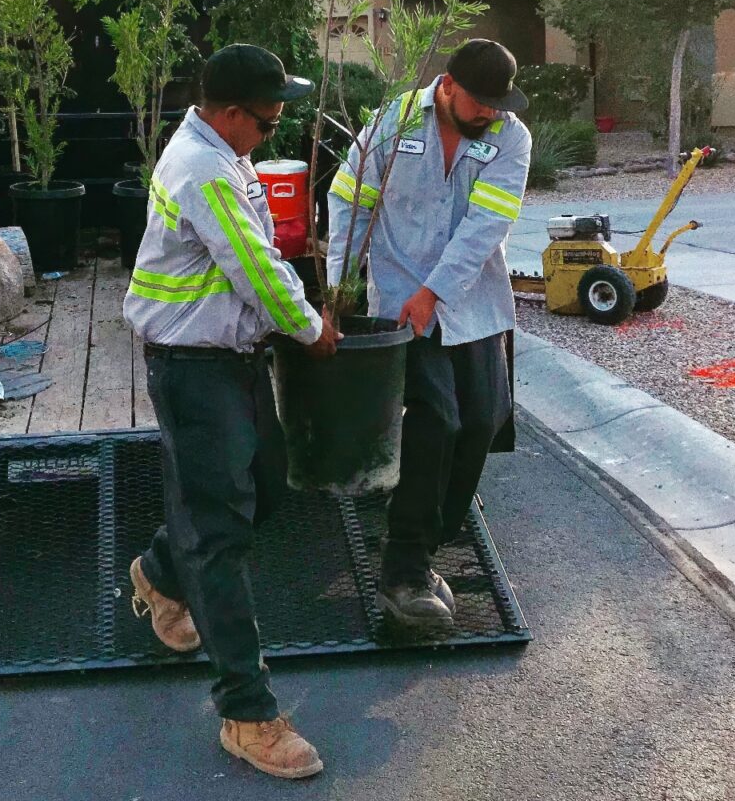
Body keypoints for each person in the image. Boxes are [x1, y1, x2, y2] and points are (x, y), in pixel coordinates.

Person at [124, 43, 340, 780]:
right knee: (219, 535)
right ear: (228, 112)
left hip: (233, 362)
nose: (275, 128)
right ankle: (248, 715)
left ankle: (158, 571)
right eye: (269, 117)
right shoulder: (205, 167)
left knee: (266, 491)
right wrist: (311, 328)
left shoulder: (224, 150)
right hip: (194, 370)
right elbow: (254, 267)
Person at [327, 38, 531, 631]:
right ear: (446, 86)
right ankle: (405, 570)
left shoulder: (509, 136)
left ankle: (430, 528)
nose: (490, 113)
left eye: (499, 104)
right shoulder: (391, 125)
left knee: (485, 418)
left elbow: (484, 228)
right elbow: (349, 201)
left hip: (469, 302)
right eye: (479, 103)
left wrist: (435, 291)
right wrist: (343, 286)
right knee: (435, 420)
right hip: (399, 304)